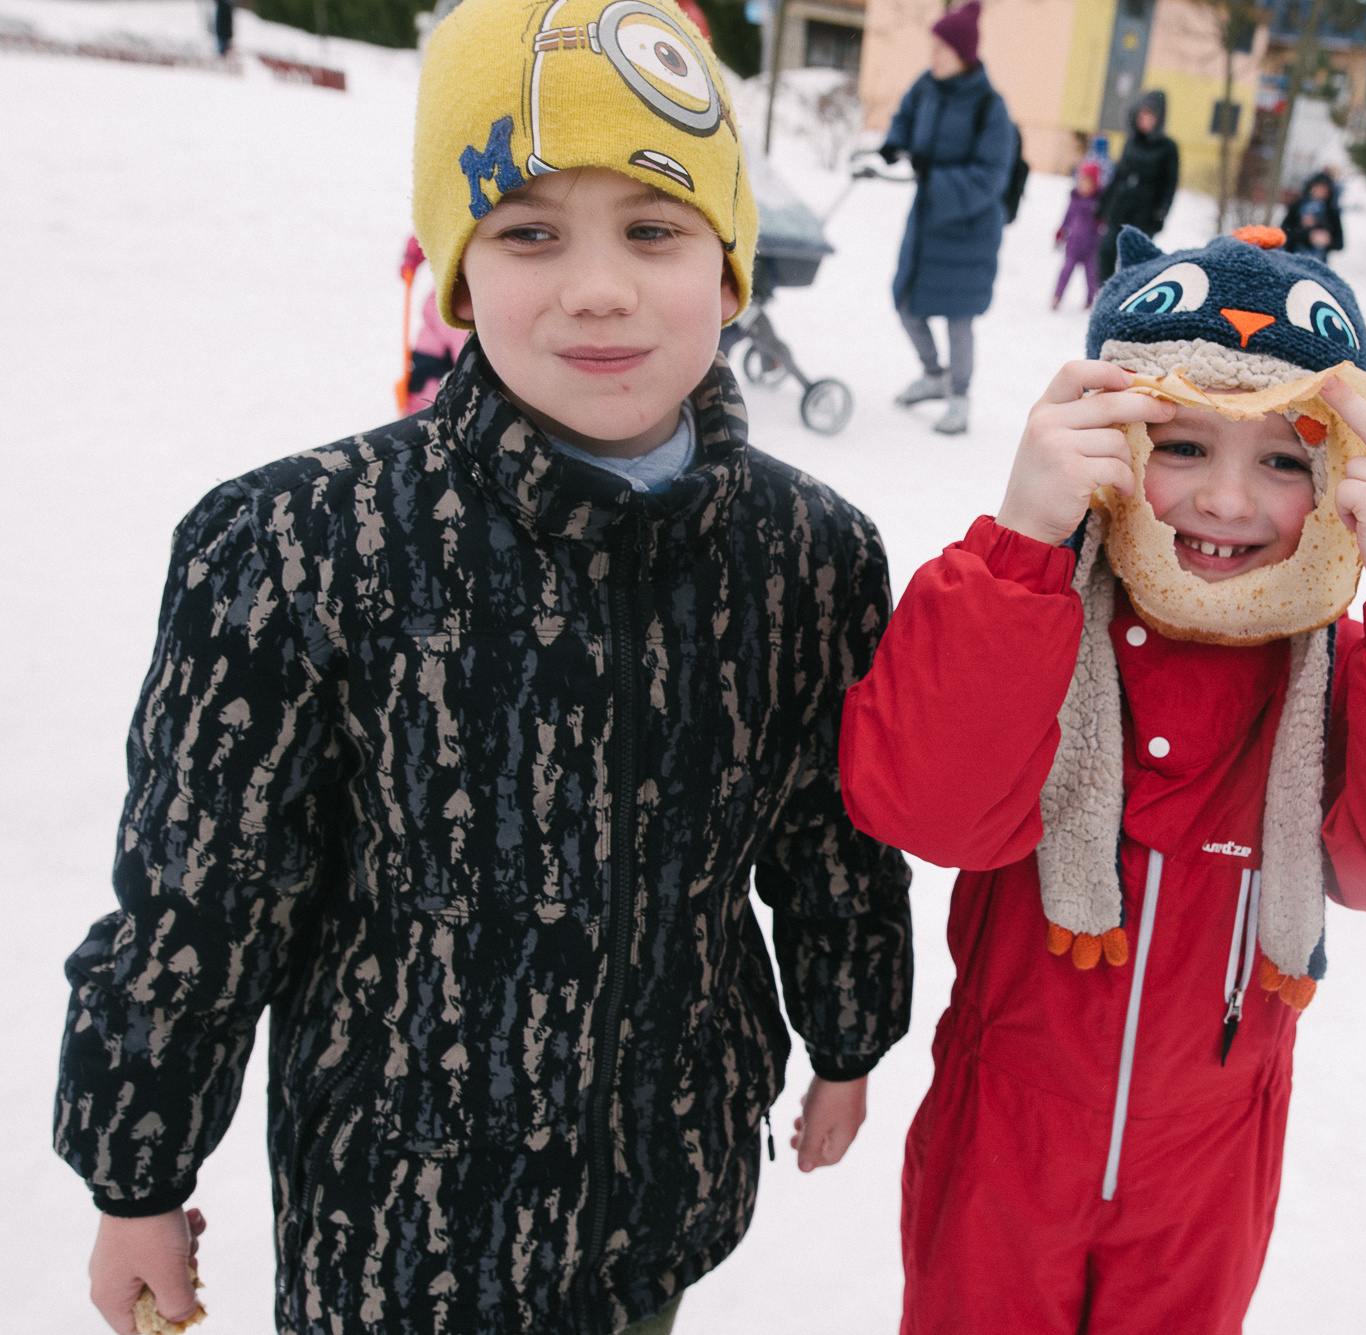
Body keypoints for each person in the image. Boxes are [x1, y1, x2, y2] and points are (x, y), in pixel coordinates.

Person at [54, 1, 913, 1331]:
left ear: (730, 270)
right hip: (394, 1226)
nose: (597, 285)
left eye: (653, 227)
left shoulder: (810, 556)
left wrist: (849, 1032)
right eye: (527, 231)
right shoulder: (300, 544)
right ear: (458, 280)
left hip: (660, 1195)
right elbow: (202, 898)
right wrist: (137, 1171)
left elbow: (828, 833)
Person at [841, 227, 1366, 1333]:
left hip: (1206, 1164)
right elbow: (924, 808)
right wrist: (1026, 537)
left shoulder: (1337, 680)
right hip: (1003, 1144)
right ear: (1108, 443)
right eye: (1180, 447)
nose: (1227, 501)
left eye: (1282, 460)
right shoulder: (1031, 619)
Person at [879, 0, 1015, 436]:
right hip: (926, 221)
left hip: (968, 227)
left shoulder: (990, 107)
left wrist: (932, 178)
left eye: (941, 49)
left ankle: (959, 397)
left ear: (962, 54)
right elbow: (905, 116)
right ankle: (932, 374)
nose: (933, 56)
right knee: (905, 302)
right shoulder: (928, 85)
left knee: (958, 318)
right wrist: (894, 142)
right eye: (932, 47)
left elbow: (991, 177)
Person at [1094, 89, 1179, 283]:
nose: (1145, 121)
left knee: (1134, 261)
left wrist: (1162, 211)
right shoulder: (1131, 142)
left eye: (1150, 116)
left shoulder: (1167, 148)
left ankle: (1128, 300)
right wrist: (1103, 205)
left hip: (1144, 214)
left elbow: (1170, 183)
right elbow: (1118, 175)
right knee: (1106, 252)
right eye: (1143, 115)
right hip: (1121, 208)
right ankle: (1106, 292)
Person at [398, 236, 470, 412]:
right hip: (443, 302)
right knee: (428, 365)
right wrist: (413, 255)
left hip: (468, 300)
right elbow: (431, 228)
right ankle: (422, 415)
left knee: (467, 359)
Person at [1053, 159, 1105, 309]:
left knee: (1091, 275)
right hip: (1073, 244)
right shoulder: (1074, 200)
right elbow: (1067, 218)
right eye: (1081, 182)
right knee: (1066, 271)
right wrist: (1060, 232)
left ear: (1095, 184)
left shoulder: (1099, 203)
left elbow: (1103, 222)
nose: (1083, 186)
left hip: (1091, 246)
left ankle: (1090, 300)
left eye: (1088, 183)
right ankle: (1057, 295)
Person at [1280, 169, 1344, 258]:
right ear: (1310, 188)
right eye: (1317, 188)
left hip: (1318, 262)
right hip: (1292, 257)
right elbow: (1284, 232)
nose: (1320, 192)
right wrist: (1306, 235)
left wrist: (1328, 240)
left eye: (1324, 189)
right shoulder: (1297, 206)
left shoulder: (1331, 212)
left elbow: (1339, 243)